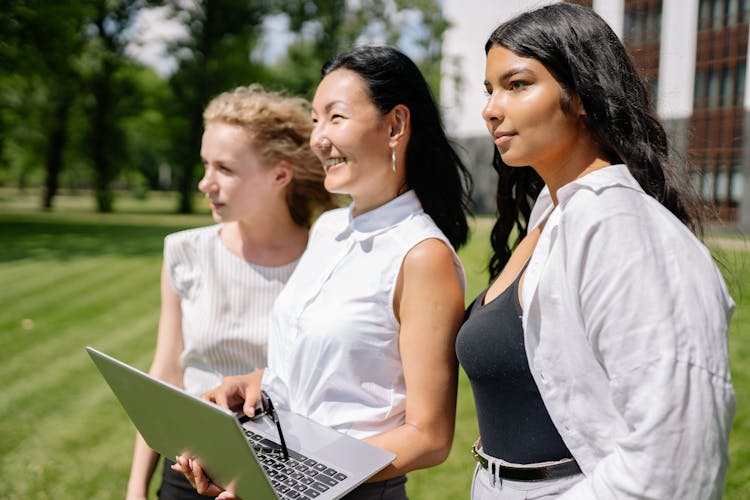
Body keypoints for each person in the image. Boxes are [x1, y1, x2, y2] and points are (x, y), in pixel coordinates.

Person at [455, 3, 736, 499]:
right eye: (489, 90)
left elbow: (673, 459)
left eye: (517, 84)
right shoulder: (554, 213)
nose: (491, 108)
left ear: (581, 94)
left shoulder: (623, 228)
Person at [173, 45, 473, 499]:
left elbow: (428, 437)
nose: (318, 138)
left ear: (395, 125)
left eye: (335, 117)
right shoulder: (328, 228)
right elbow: (330, 373)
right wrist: (258, 385)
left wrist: (292, 481)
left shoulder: (421, 255)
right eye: (315, 120)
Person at [126, 84, 335, 500]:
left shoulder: (327, 261)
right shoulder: (185, 252)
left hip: (288, 479)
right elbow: (167, 374)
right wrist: (135, 489)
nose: (206, 183)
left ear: (280, 174)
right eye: (205, 165)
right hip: (188, 472)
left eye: (225, 169)